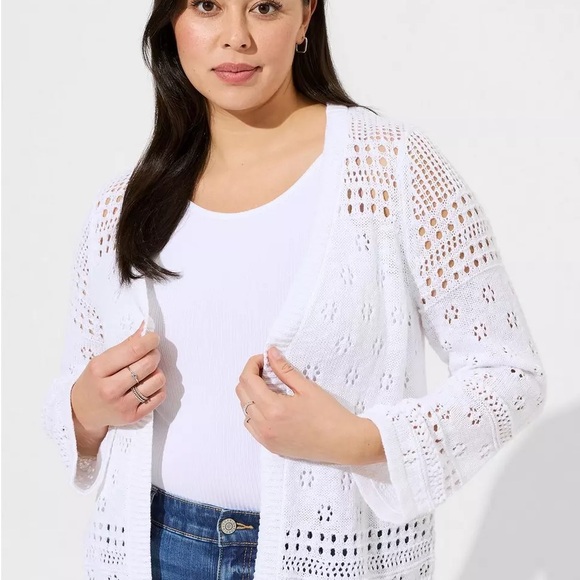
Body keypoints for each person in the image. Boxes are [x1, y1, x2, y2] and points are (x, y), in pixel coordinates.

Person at [42, 0, 547, 579]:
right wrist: (83, 411)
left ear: (305, 16)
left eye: (264, 7)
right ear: (172, 20)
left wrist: (362, 441)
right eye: (207, 6)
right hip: (154, 551)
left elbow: (511, 374)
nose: (236, 37)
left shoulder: (392, 171)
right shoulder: (124, 204)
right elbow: (73, 392)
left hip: (331, 555)